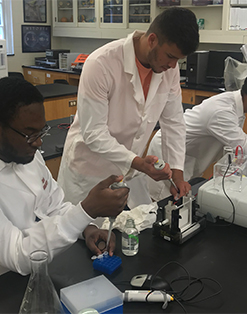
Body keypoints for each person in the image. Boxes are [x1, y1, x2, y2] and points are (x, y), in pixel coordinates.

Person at [0, 77, 129, 297]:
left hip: (37, 280)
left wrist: (88, 228)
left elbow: (55, 207)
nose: (38, 143)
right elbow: (20, 255)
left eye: (41, 131)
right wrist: (86, 210)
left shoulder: (26, 155)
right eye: (29, 134)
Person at [57, 7, 199, 210]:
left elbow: (174, 122)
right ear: (152, 40)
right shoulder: (101, 64)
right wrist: (139, 163)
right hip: (90, 173)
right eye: (170, 56)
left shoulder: (169, 69)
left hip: (130, 173)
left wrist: (177, 172)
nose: (173, 65)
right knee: (86, 235)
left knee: (130, 233)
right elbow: (94, 133)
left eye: (178, 60)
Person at [147, 68, 247, 200]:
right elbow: (244, 148)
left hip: (188, 154)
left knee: (182, 201)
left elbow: (239, 142)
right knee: (165, 205)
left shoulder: (236, 104)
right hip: (167, 152)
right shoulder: (222, 112)